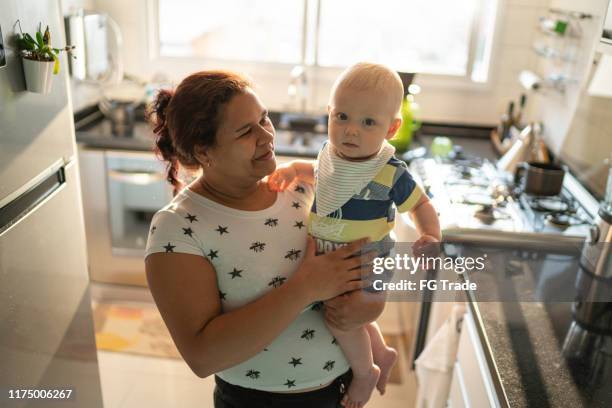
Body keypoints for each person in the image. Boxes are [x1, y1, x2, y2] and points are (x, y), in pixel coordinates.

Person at [144, 70, 387, 408]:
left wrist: (372, 304)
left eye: (264, 119)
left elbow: (366, 259)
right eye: (246, 131)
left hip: (341, 392)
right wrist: (305, 288)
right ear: (203, 152)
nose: (266, 136)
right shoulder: (178, 227)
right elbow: (201, 356)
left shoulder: (303, 187)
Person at [268, 62, 441, 408]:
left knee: (341, 318)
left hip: (364, 261)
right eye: (342, 117)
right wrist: (292, 169)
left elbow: (421, 204)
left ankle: (365, 372)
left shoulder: (390, 173)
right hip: (333, 258)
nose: (350, 131)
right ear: (329, 114)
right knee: (345, 315)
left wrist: (431, 235)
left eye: (367, 122)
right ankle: (380, 352)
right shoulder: (332, 157)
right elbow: (316, 173)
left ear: (391, 128)